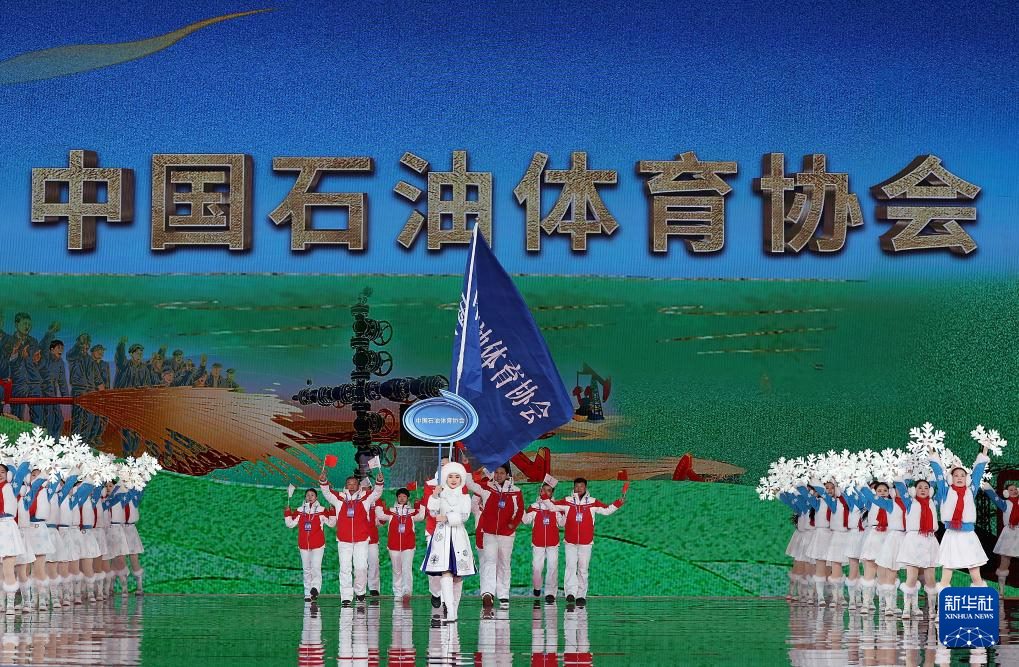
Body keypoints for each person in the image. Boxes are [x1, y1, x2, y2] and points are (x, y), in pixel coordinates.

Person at [553, 478, 624, 607]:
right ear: (573, 488)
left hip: (586, 543)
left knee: (583, 569)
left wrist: (618, 503)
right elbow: (552, 506)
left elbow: (606, 510)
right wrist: (545, 498)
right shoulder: (567, 501)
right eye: (576, 486)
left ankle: (581, 595)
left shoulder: (592, 502)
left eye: (581, 486)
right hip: (570, 542)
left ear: (585, 488)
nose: (579, 488)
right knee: (570, 567)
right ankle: (570, 593)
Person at [421, 461, 475, 625]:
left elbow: (465, 516)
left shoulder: (465, 497)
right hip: (442, 537)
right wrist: (435, 496)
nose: (453, 479)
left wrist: (448, 518)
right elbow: (432, 512)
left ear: (461, 479)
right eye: (450, 476)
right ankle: (449, 611)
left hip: (458, 538)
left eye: (457, 477)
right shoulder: (440, 494)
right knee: (445, 572)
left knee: (457, 577)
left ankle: (454, 610)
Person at [319, 472, 385, 606]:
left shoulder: (365, 497)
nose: (352, 486)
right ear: (345, 485)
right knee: (345, 568)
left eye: (354, 484)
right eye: (349, 484)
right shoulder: (339, 498)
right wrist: (324, 481)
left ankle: (360, 592)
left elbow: (377, 493)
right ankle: (346, 597)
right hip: (344, 540)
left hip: (362, 539)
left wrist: (379, 482)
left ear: (359, 485)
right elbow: (327, 493)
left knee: (361, 567)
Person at [931, 447, 990, 592]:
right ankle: (943, 597)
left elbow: (977, 474)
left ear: (966, 479)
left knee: (974, 566)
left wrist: (984, 454)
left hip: (968, 535)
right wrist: (933, 455)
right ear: (951, 478)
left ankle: (979, 596)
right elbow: (939, 474)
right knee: (948, 566)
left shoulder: (971, 491)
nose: (959, 478)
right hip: (952, 534)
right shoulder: (946, 491)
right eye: (956, 475)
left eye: (962, 475)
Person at [467, 464, 524, 609]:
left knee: (504, 564)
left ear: (507, 475)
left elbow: (519, 510)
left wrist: (513, 525)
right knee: (489, 562)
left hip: (507, 535)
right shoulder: (487, 487)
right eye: (496, 472)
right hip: (489, 533)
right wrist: (467, 466)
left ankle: (503, 595)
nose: (498, 475)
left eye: (502, 473)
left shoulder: (516, 491)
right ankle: (488, 593)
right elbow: (470, 484)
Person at [894, 479, 940, 619]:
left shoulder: (933, 502)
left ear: (930, 490)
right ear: (914, 490)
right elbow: (901, 487)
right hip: (913, 541)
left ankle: (932, 610)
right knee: (912, 577)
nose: (923, 490)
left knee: (930, 578)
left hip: (929, 540)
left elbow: (941, 487)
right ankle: (906, 609)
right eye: (920, 487)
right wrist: (897, 476)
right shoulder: (910, 502)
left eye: (926, 487)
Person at [284, 488, 336, 602]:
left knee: (315, 568)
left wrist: (332, 512)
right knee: (306, 569)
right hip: (303, 545)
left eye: (312, 495)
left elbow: (332, 524)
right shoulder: (299, 510)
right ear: (305, 497)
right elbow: (290, 524)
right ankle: (308, 594)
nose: (310, 497)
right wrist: (287, 513)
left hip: (318, 544)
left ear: (316, 497)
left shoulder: (322, 510)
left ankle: (315, 588)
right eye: (308, 495)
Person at [522, 480, 567, 603]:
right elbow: (526, 520)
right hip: (538, 543)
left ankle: (550, 593)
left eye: (549, 491)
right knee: (537, 568)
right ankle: (537, 588)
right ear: (540, 491)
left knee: (552, 568)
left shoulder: (557, 507)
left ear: (552, 493)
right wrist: (520, 509)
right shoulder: (534, 506)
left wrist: (566, 512)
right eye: (544, 490)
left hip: (553, 543)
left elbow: (562, 524)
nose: (546, 493)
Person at [378, 488, 424, 602]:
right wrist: (378, 501)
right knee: (396, 570)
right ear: (397, 498)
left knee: (406, 569)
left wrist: (420, 504)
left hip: (408, 545)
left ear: (407, 498)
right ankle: (397, 593)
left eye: (404, 496)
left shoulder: (412, 512)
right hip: (393, 546)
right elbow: (380, 515)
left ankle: (407, 592)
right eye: (400, 496)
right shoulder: (391, 511)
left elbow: (421, 516)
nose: (402, 498)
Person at [0, 461, 29, 615]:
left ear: (8, 475)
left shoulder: (11, 487)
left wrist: (24, 459)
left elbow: (22, 471)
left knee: (8, 568)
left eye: (2, 472)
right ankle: (1, 603)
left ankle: (10, 603)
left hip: (7, 527)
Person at [981, 482, 1019, 592]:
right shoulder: (1005, 504)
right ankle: (1001, 590)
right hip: (1009, 534)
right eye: (1011, 490)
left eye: (1015, 489)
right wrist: (988, 488)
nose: (1014, 491)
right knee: (1004, 562)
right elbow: (995, 498)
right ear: (1006, 493)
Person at [39, 339, 69, 438]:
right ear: (52, 350)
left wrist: (66, 396)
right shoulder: (44, 359)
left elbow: (62, 381)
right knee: (48, 416)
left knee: (59, 418)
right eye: (58, 348)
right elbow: (37, 372)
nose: (61, 350)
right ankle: (46, 439)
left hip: (53, 392)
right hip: (42, 391)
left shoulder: (61, 362)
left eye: (62, 348)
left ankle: (55, 439)